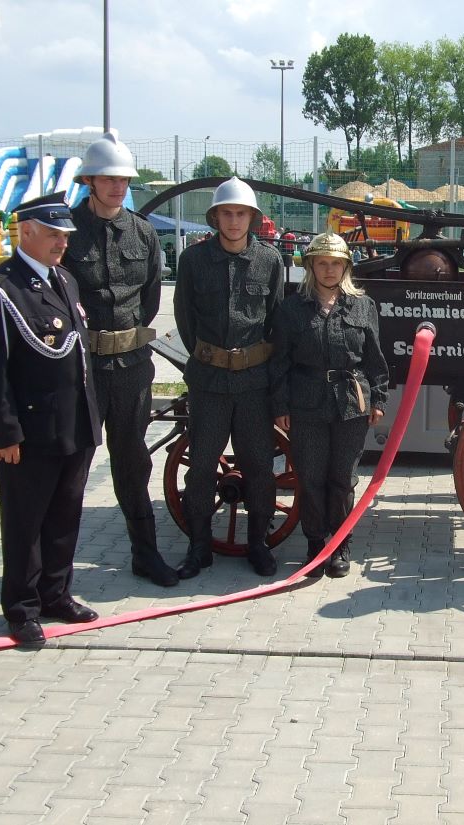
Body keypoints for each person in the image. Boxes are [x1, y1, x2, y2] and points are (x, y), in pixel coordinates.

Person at [0, 192, 102, 647]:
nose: (60, 242)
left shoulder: (65, 280)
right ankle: (22, 608)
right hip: (29, 432)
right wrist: (3, 431)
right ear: (26, 231)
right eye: (51, 233)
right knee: (25, 523)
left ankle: (56, 594)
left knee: (65, 516)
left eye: (64, 235)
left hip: (73, 425)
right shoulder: (1, 291)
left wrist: (90, 421)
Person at [63, 131, 179, 587]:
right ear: (89, 180)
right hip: (83, 369)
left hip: (131, 366)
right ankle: (56, 569)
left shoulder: (144, 232)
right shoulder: (68, 231)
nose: (117, 186)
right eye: (108, 178)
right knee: (72, 467)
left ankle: (144, 555)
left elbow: (149, 298)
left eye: (124, 179)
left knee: (133, 462)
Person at [173, 177, 283, 579]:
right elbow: (185, 318)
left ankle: (258, 544)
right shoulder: (193, 261)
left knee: (258, 467)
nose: (234, 221)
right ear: (215, 216)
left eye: (241, 214)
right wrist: (211, 357)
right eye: (227, 213)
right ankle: (198, 546)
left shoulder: (269, 260)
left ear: (252, 218)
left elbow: (275, 319)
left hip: (254, 385)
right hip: (209, 383)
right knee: (201, 465)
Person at [270, 233, 389, 578]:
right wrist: (280, 405)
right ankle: (313, 544)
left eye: (336, 263)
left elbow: (374, 359)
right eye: (321, 263)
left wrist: (378, 399)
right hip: (306, 403)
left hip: (351, 403)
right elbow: (279, 362)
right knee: (310, 477)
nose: (329, 269)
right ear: (309, 266)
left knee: (343, 479)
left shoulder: (363, 306)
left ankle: (338, 546)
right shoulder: (292, 309)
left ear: (346, 267)